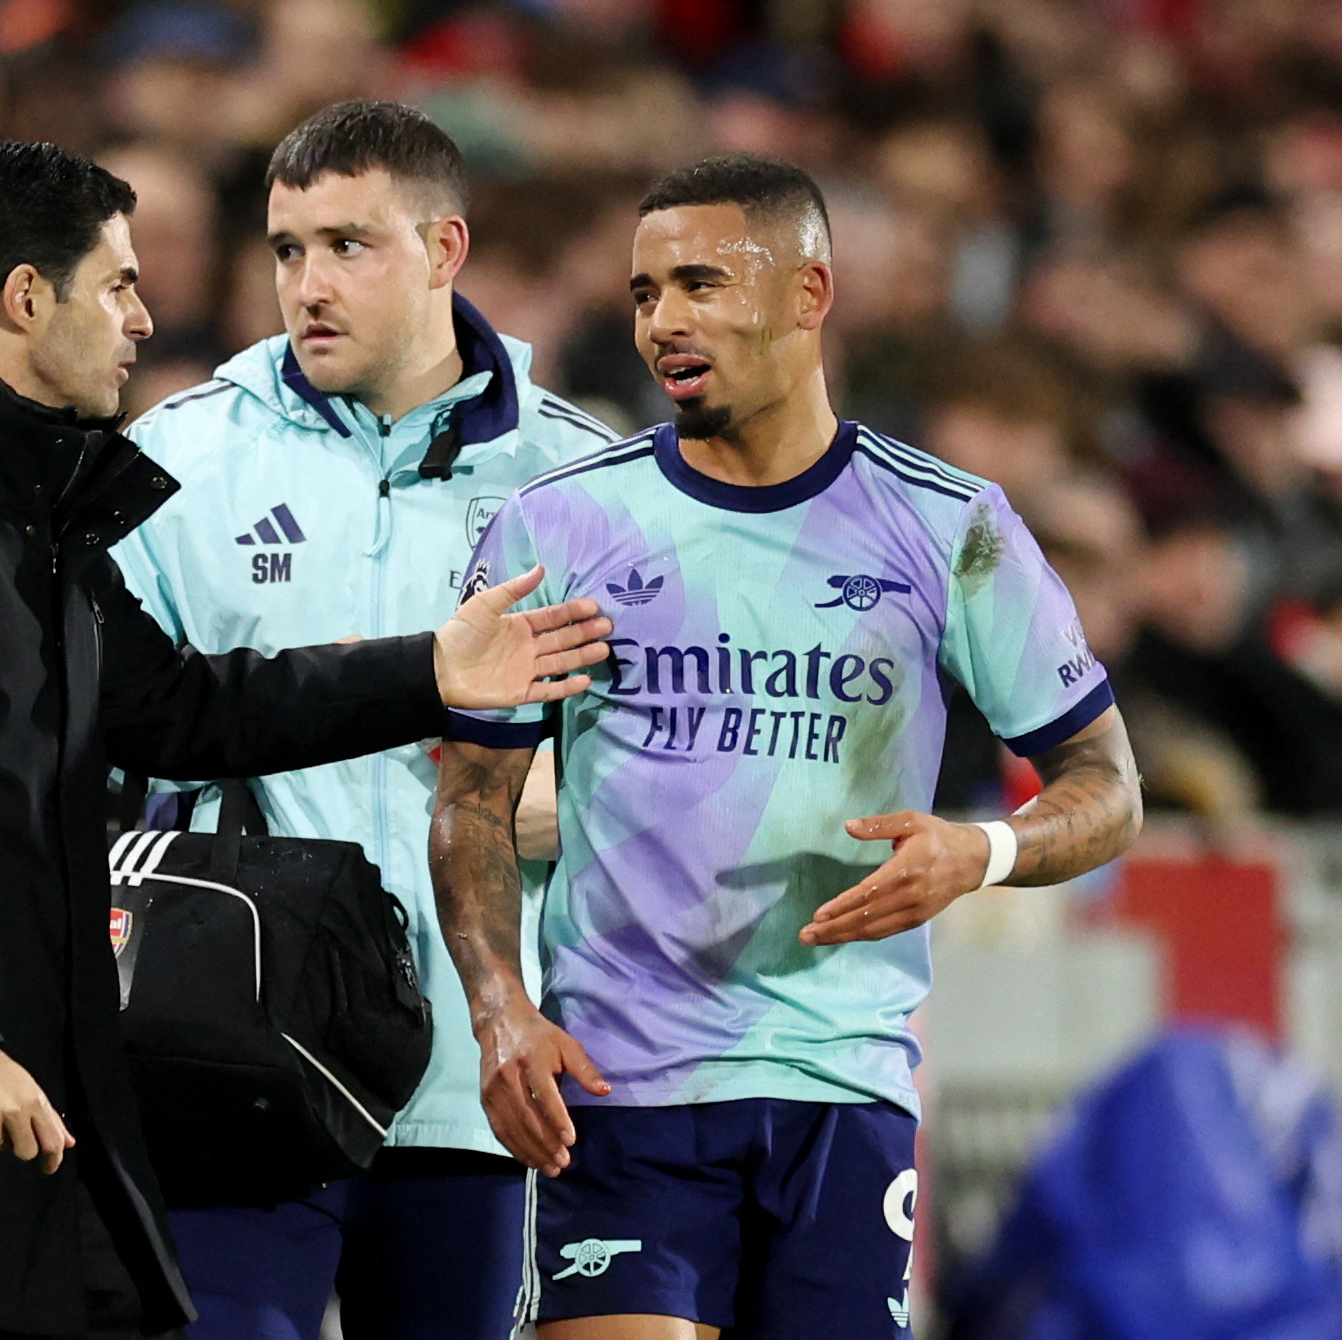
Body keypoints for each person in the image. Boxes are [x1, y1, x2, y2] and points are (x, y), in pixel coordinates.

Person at [0, 140, 612, 1340]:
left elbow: (188, 704)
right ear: (28, 299)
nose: (144, 316)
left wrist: (431, 670)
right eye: (117, 286)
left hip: (13, 1158)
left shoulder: (31, 521)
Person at [431, 154, 1144, 1338]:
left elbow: (1106, 785)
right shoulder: (559, 524)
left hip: (842, 1086)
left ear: (809, 293)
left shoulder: (948, 528)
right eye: (644, 293)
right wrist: (500, 1003)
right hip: (622, 1084)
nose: (663, 321)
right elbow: (470, 800)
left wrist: (981, 851)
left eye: (700, 283)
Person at [111, 99, 622, 1340]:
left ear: (444, 249)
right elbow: (107, 737)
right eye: (286, 249)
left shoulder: (582, 483)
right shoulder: (175, 466)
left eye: (348, 245)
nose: (306, 284)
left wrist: (531, 801)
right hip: (235, 1064)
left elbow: (647, 765)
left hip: (480, 1079)